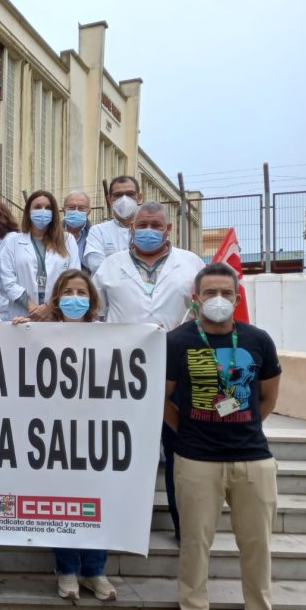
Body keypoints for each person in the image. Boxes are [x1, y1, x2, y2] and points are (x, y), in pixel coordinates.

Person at [165, 263, 287, 610]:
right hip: (196, 459)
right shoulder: (178, 341)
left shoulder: (258, 340)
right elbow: (162, 397)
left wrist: (242, 425)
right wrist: (187, 431)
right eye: (210, 293)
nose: (218, 300)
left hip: (253, 458)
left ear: (237, 297)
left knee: (256, 545)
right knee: (195, 545)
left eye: (226, 293)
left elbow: (266, 398)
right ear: (196, 298)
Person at [93, 201, 205, 543]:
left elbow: (201, 312)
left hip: (177, 372)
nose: (149, 231)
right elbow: (95, 317)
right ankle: (115, 519)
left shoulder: (191, 265)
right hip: (121, 373)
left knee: (177, 449)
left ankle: (182, 523)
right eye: (143, 224)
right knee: (120, 450)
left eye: (156, 225)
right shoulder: (109, 268)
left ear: (168, 229)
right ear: (131, 228)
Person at [14, 269, 117, 602]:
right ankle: (68, 570)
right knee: (63, 503)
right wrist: (13, 334)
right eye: (69, 292)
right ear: (57, 298)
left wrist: (151, 337)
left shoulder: (108, 335)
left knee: (98, 502)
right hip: (53, 433)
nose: (75, 298)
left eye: (82, 292)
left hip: (95, 431)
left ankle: (95, 571)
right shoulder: (42, 332)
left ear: (91, 300)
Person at [0, 190, 80, 322]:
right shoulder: (13, 241)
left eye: (48, 208)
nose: (43, 211)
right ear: (28, 212)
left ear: (54, 213)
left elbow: (74, 277)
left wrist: (49, 307)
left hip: (55, 313)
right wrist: (33, 308)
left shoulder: (67, 240)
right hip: (22, 313)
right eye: (37, 207)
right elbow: (6, 280)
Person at [84, 175, 142, 275]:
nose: (124, 199)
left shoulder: (150, 231)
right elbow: (96, 265)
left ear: (139, 197)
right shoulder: (98, 231)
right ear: (110, 199)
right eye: (118, 195)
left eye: (130, 194)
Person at [63, 191, 92, 273]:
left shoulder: (95, 235)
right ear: (64, 210)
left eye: (81, 208)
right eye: (71, 207)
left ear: (89, 211)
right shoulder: (52, 233)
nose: (76, 211)